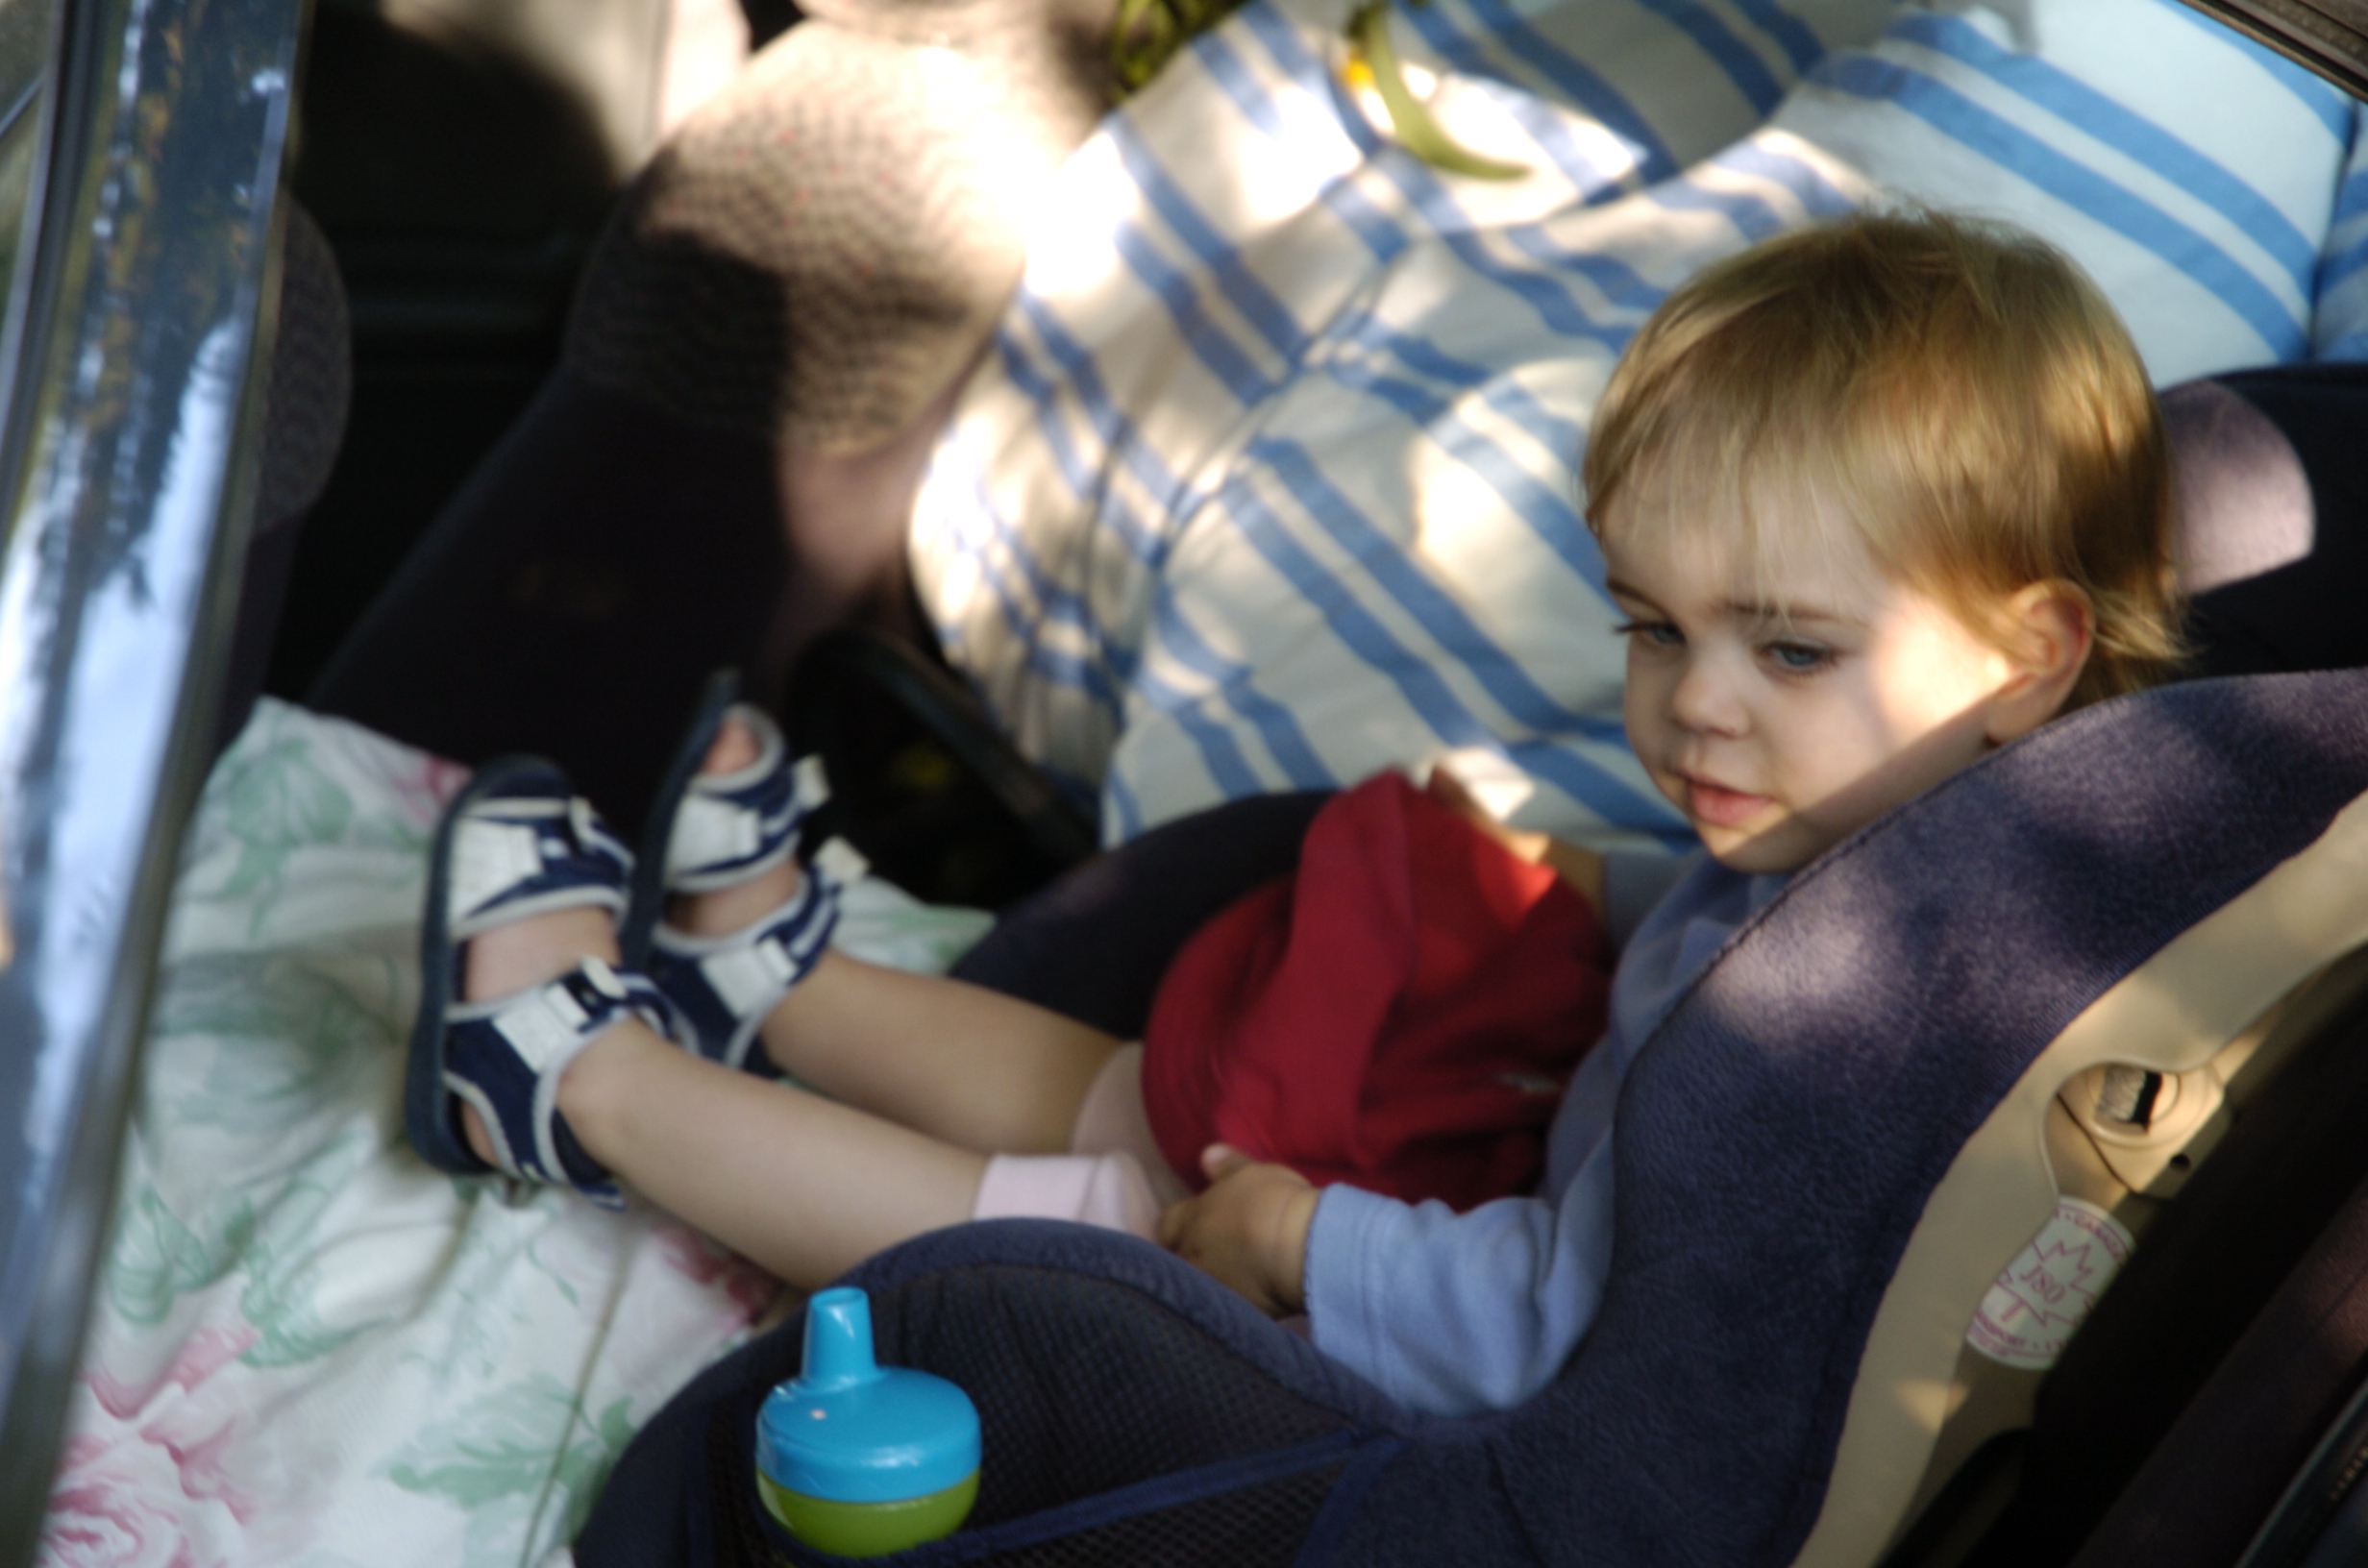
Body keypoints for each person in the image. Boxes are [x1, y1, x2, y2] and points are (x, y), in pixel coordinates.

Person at [405, 208, 2183, 1418]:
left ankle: (570, 1085)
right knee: (1167, 1095)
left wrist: (1304, 1242)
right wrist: (1601, 881)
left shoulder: (1887, 1023)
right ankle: (780, 991)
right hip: (1497, 1200)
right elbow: (1714, 934)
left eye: (1789, 648)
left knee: (1096, 1229)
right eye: (1653, 630)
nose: (1694, 703)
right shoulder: (1903, 838)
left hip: (1449, 1403)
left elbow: (1553, 1335)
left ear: (2028, 655)